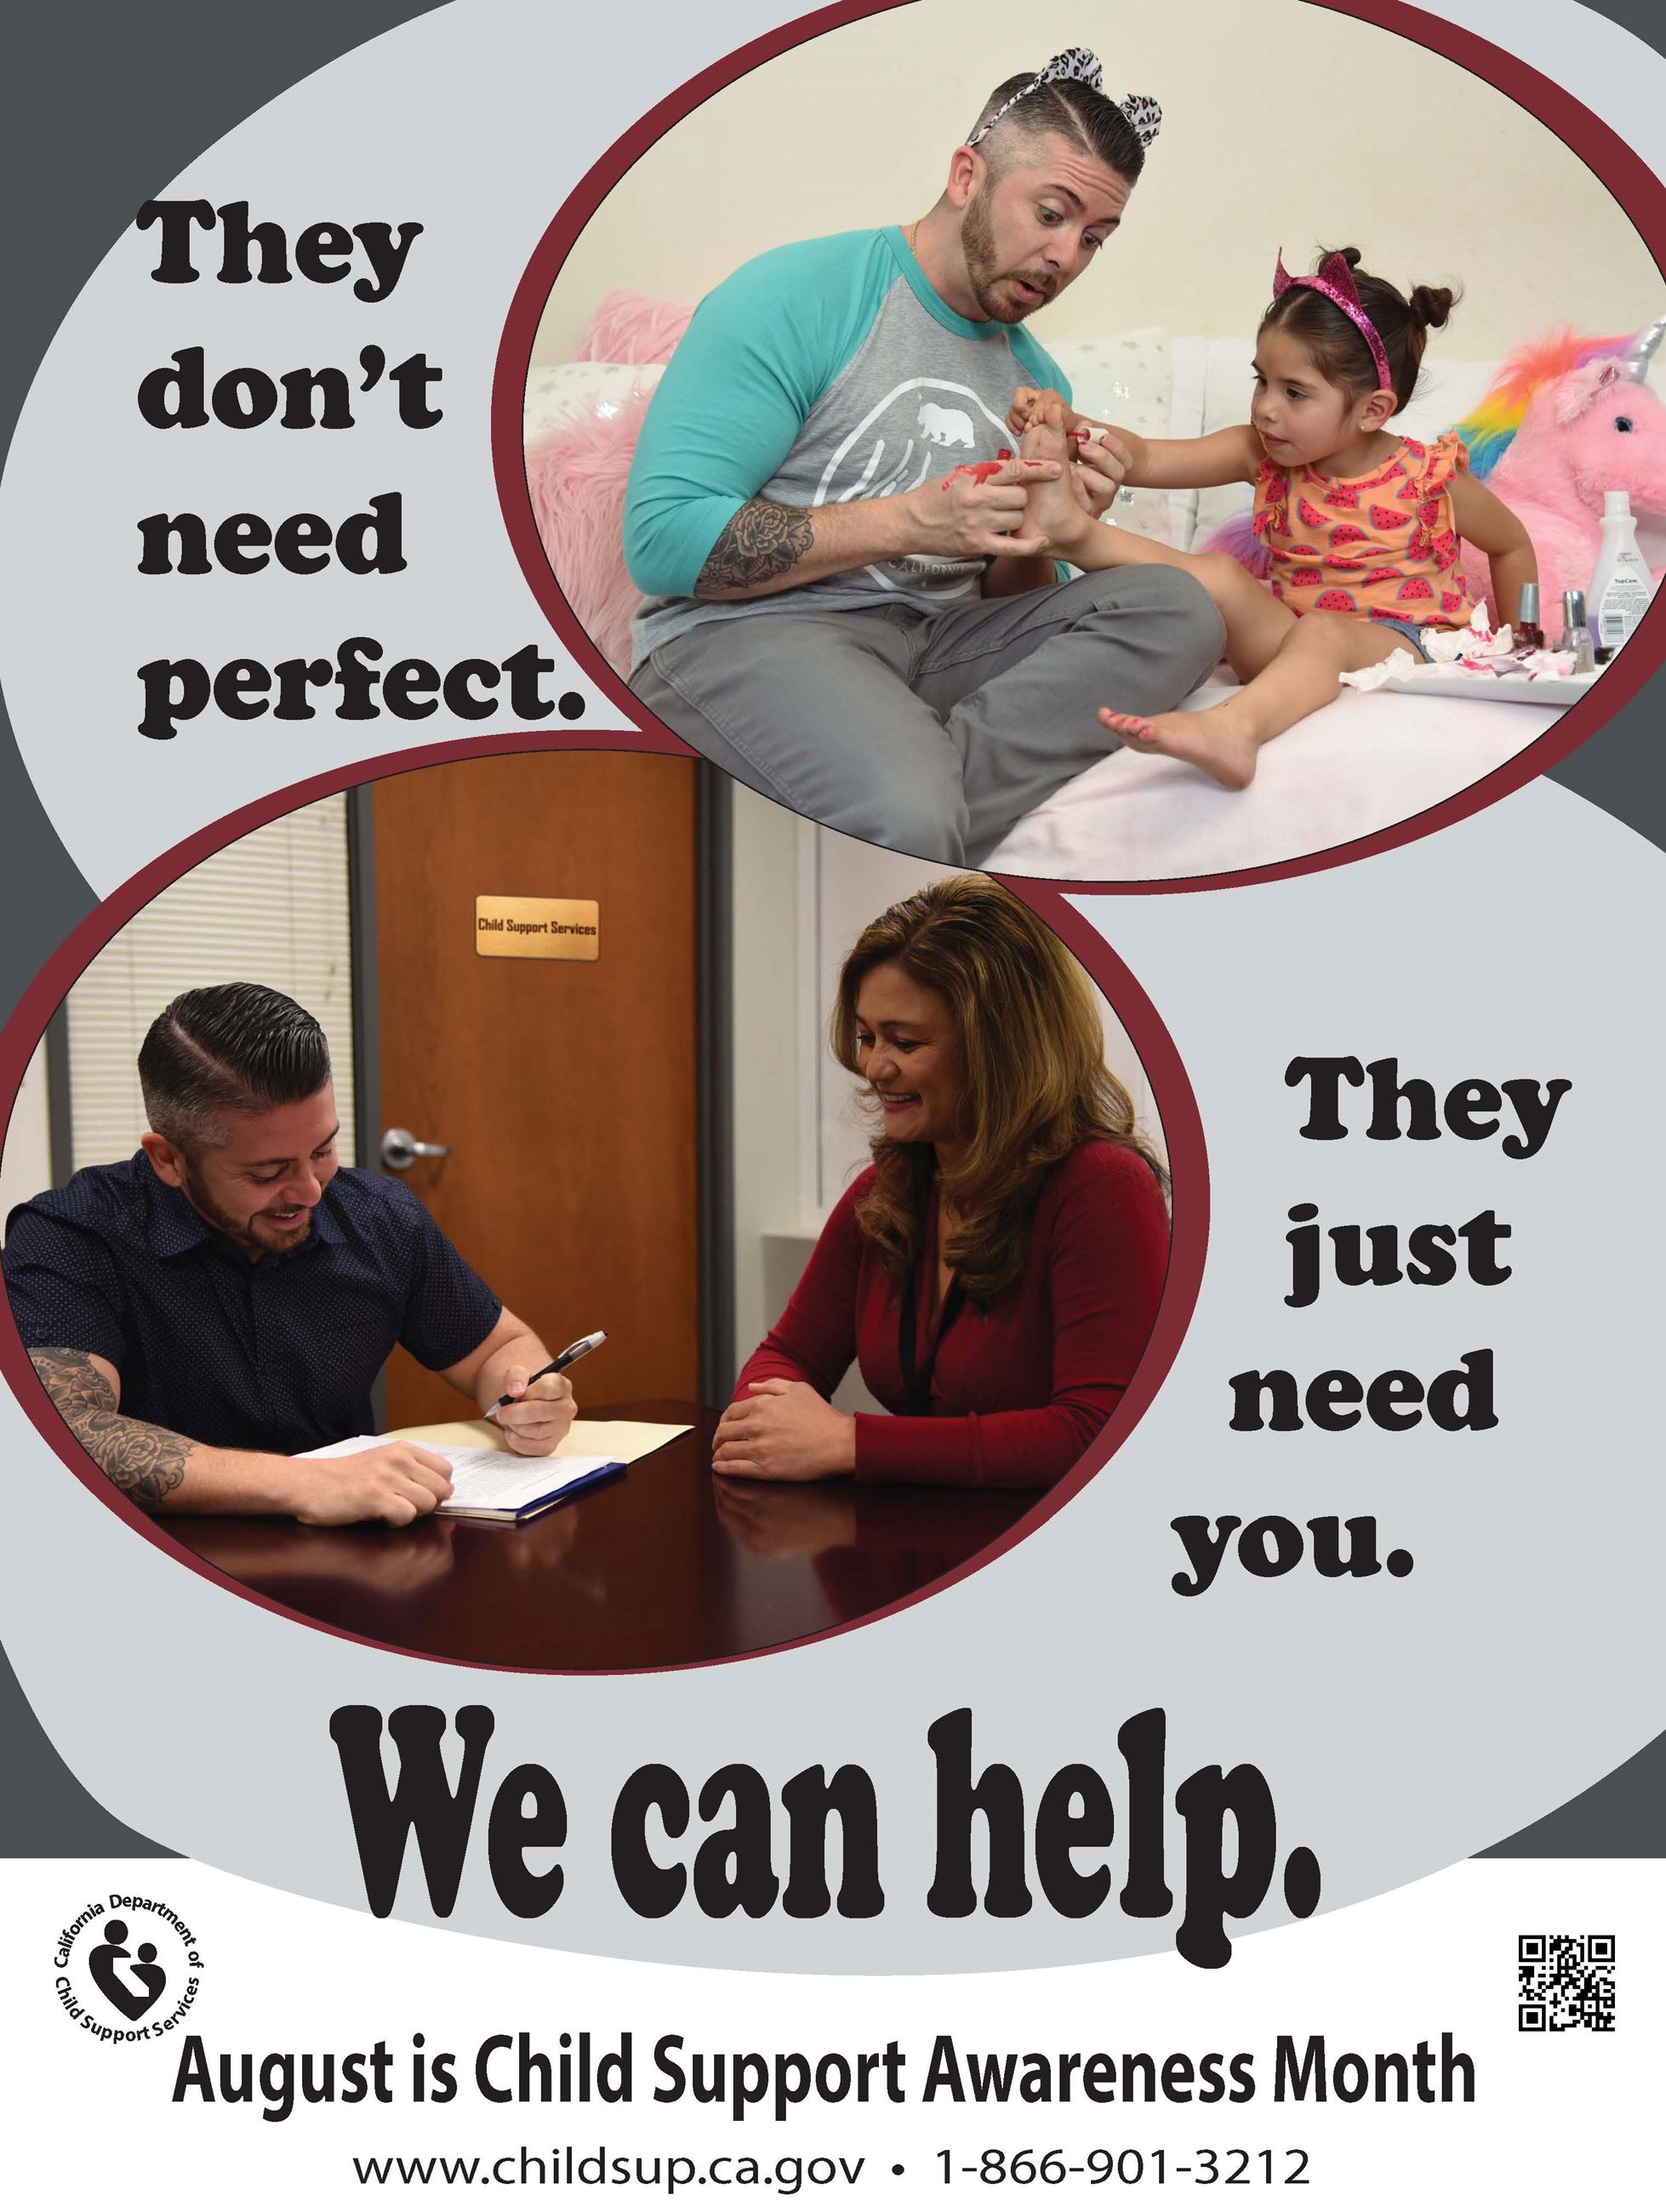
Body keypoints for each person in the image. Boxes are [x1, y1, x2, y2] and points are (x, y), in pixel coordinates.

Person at [623, 51, 1225, 865]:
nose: (1065, 257)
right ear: (966, 175)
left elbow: (1013, 596)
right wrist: (913, 520)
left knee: (1176, 607)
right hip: (757, 632)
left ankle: (906, 793)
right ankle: (906, 807)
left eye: (1094, 238)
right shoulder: (801, 294)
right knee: (904, 814)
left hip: (934, 648)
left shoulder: (1036, 378)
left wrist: (1051, 524)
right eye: (1051, 213)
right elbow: (663, 540)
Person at [3, 983, 576, 1525]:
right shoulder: (70, 1235)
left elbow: (497, 1348)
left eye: (323, 1149)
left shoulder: (378, 1216)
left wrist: (523, 1397)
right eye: (268, 1172)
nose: (310, 1191)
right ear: (168, 1159)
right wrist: (303, 1482)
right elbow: (59, 1430)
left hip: (361, 1561)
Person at [1006, 246, 1538, 789]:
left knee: (1327, 633)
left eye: (1295, 392)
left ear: (1372, 410)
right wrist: (1073, 425)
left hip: (1410, 648)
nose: (1265, 407)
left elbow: (1511, 543)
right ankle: (1069, 533)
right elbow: (1144, 458)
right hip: (1290, 646)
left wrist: (1528, 645)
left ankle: (1236, 730)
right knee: (1218, 573)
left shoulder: (1429, 476)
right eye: (1262, 380)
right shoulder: (1260, 452)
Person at [712, 876, 1168, 1488]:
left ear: (1002, 1049)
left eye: (905, 1041)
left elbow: (1099, 1433)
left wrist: (852, 1441)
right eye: (866, 1037)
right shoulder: (888, 1189)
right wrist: (764, 1423)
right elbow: (788, 1356)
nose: (874, 1067)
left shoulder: (1101, 1186)